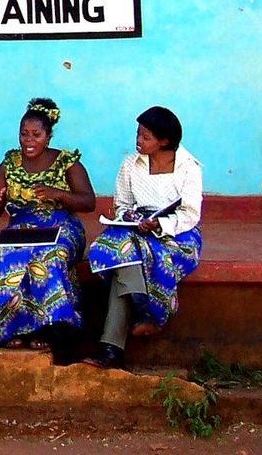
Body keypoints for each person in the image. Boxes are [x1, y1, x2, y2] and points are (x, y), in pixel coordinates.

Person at [0, 97, 96, 355]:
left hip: (61, 225)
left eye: (36, 135)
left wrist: (57, 194)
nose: (29, 140)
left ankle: (49, 329)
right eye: (24, 134)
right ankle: (11, 329)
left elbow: (88, 201)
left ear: (48, 136)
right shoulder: (9, 164)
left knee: (47, 259)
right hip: (21, 229)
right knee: (6, 256)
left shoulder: (66, 162)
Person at [83, 106, 202, 369]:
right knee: (113, 247)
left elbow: (191, 214)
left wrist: (159, 223)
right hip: (136, 229)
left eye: (146, 137)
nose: (139, 141)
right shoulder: (130, 164)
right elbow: (122, 203)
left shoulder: (189, 168)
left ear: (165, 141)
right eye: (138, 134)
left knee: (125, 259)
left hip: (176, 234)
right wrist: (130, 218)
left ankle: (111, 348)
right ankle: (144, 310)